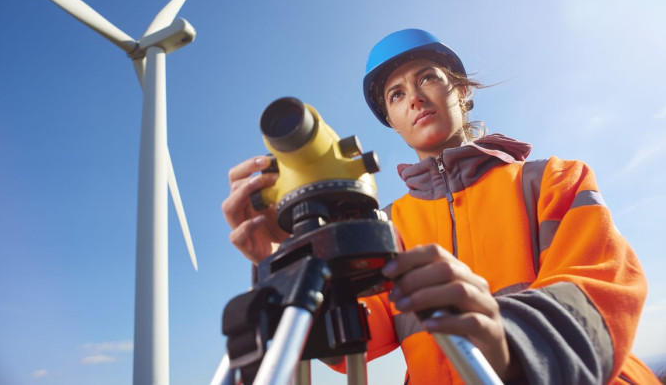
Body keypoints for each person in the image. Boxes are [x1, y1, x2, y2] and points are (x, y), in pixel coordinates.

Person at [222, 29, 660, 384]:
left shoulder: (551, 179)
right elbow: (352, 340)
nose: (413, 97)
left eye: (427, 77)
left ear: (463, 91)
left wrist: (504, 340)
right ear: (392, 124)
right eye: (395, 95)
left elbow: (602, 293)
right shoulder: (386, 226)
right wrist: (286, 261)